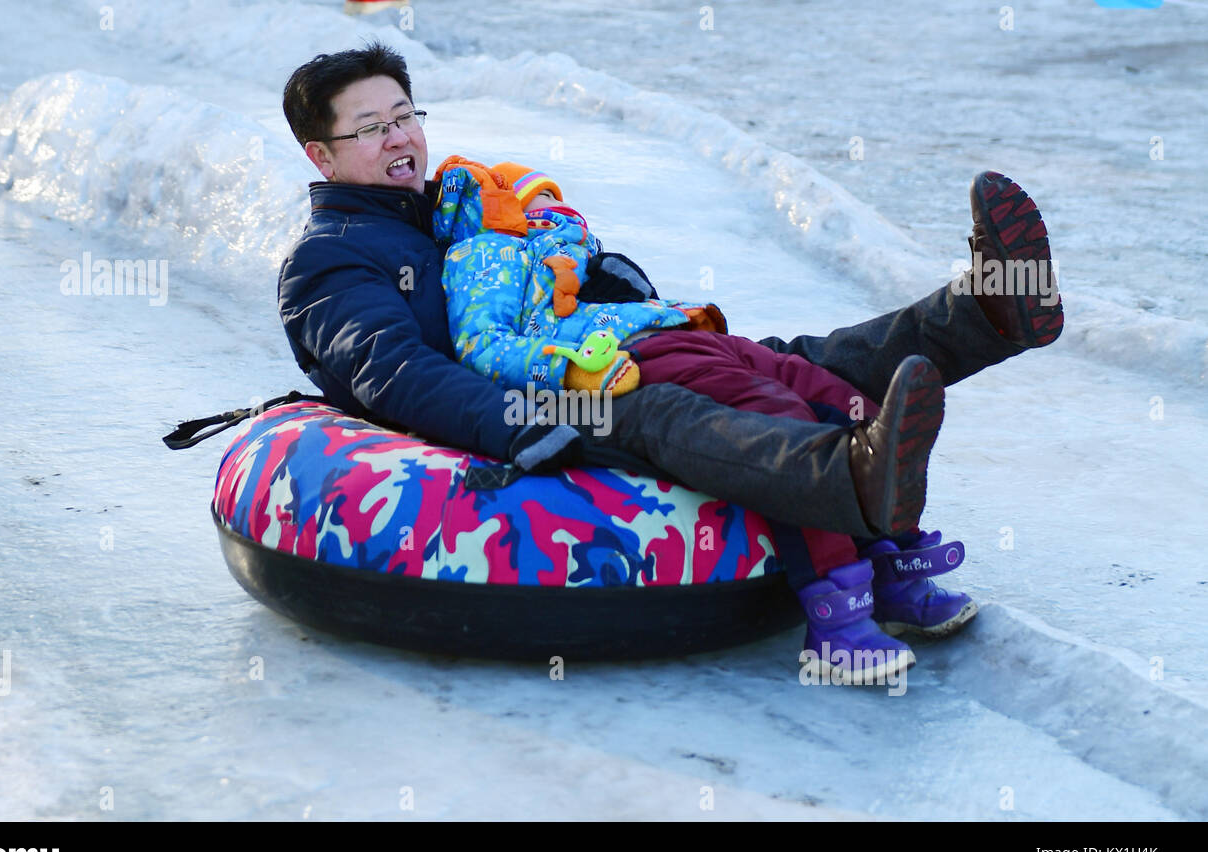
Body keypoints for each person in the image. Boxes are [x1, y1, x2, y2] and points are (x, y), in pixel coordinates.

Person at [276, 41, 1063, 681]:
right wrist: (517, 423)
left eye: (406, 116)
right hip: (528, 394)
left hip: (583, 344)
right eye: (371, 127)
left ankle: (986, 311)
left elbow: (536, 272)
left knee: (770, 361)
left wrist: (598, 274)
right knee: (667, 410)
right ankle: (848, 478)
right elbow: (391, 370)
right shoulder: (332, 260)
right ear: (322, 154)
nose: (399, 138)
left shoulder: (455, 207)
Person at [432, 155, 984, 680]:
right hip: (630, 357)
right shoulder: (484, 255)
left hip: (687, 332)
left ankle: (892, 566)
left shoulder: (567, 254)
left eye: (555, 201)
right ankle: (836, 624)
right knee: (784, 424)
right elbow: (483, 345)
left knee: (835, 397)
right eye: (537, 201)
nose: (557, 211)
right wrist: (571, 369)